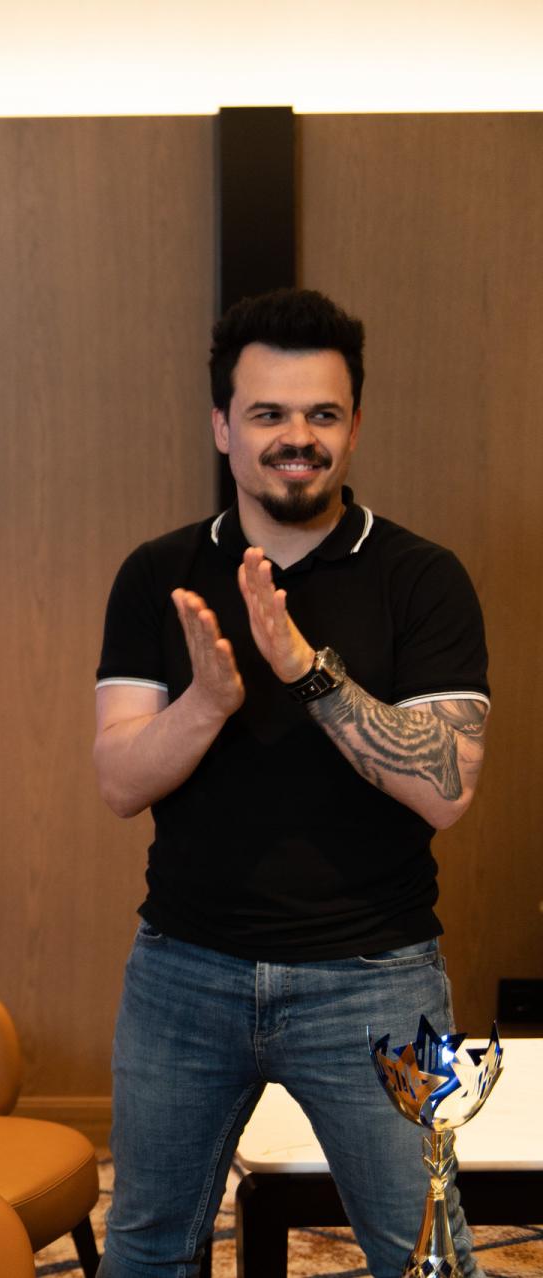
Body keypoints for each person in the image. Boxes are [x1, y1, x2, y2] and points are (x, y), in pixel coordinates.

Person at [91, 288, 490, 1277]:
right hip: (181, 973)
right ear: (223, 426)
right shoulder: (157, 575)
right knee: (145, 1249)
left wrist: (305, 671)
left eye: (322, 414)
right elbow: (119, 779)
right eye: (268, 413)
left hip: (383, 978)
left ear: (354, 427)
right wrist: (207, 702)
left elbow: (446, 788)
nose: (297, 437)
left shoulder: (423, 577)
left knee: (428, 1253)